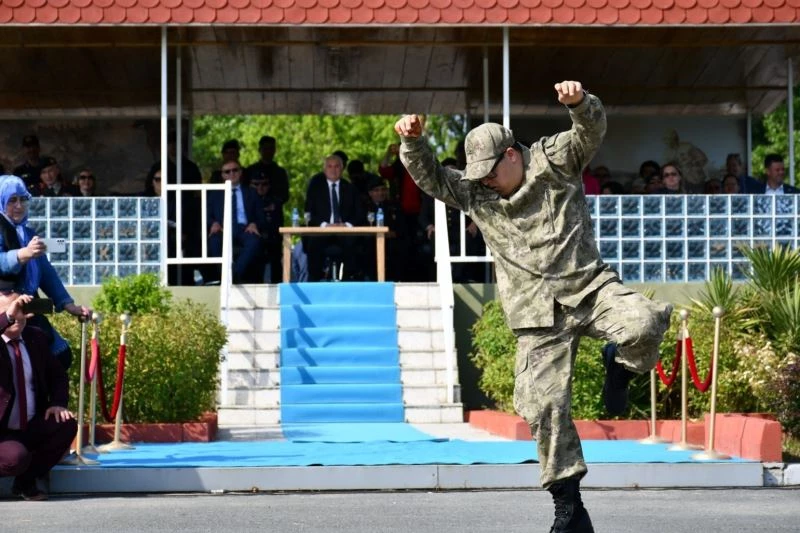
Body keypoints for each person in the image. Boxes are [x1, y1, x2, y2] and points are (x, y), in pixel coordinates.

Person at [394, 81, 672, 533]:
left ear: (511, 154)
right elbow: (432, 178)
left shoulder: (554, 160)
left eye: (490, 170)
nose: (485, 179)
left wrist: (580, 104)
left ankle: (619, 365)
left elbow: (590, 131)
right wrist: (412, 142)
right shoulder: (475, 193)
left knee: (643, 322)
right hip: (537, 316)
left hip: (589, 288)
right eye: (477, 173)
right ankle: (570, 508)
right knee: (543, 407)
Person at [0, 175, 91, 370]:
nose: (19, 206)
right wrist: (22, 254)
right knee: (18, 367)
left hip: (31, 305)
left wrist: (68, 304)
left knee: (60, 356)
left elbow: (46, 272)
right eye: (12, 200)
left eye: (23, 199)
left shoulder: (28, 233)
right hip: (7, 310)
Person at [0, 290, 77, 501]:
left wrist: (58, 403)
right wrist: (7, 317)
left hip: (28, 424)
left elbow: (58, 376)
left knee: (66, 424)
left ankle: (25, 482)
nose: (18, 317)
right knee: (15, 458)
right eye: (10, 311)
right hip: (2, 431)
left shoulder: (36, 337)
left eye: (21, 310)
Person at [303, 154, 364, 281]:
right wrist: (325, 225)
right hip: (323, 231)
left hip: (345, 232)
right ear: (324, 170)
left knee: (354, 244)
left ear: (342, 169)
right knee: (313, 244)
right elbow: (309, 213)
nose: (333, 170)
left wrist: (346, 225)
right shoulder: (315, 189)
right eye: (329, 166)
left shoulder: (350, 189)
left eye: (336, 166)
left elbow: (359, 214)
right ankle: (314, 281)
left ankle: (349, 280)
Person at [207, 160, 266, 284]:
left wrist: (254, 223)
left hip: (245, 228)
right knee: (214, 241)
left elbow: (261, 216)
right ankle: (231, 276)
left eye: (235, 170)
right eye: (227, 172)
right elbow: (207, 215)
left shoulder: (251, 192)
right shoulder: (215, 194)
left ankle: (232, 276)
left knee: (255, 241)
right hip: (223, 229)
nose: (231, 174)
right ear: (222, 175)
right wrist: (213, 223)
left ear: (240, 173)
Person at [245, 136, 290, 203]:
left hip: (274, 211)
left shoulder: (280, 172)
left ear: (275, 150)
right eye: (265, 148)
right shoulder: (250, 171)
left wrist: (273, 203)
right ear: (260, 150)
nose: (268, 151)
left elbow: (285, 196)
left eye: (271, 148)